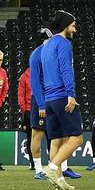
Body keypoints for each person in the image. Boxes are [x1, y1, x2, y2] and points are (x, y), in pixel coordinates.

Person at [40, 9, 84, 190]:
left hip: (49, 98)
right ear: (66, 26)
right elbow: (66, 70)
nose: (75, 29)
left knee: (56, 139)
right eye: (73, 25)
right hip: (61, 96)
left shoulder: (47, 45)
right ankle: (51, 169)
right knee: (76, 138)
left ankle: (59, 180)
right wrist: (71, 94)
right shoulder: (64, 44)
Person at [27, 27, 52, 179]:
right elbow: (35, 82)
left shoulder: (53, 53)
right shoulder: (36, 55)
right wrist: (41, 104)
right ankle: (38, 170)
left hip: (54, 97)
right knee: (37, 134)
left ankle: (56, 167)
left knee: (57, 135)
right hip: (41, 99)